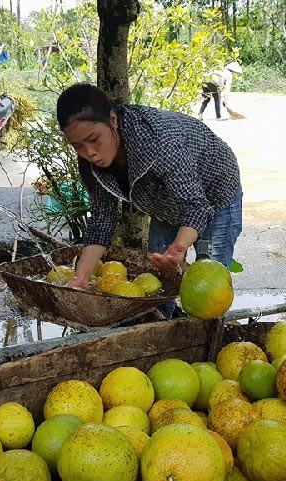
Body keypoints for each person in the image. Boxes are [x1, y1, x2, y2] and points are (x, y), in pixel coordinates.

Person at [56, 83, 243, 316]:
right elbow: (101, 222)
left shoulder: (159, 140)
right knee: (158, 280)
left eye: (94, 139)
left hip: (214, 194)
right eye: (78, 146)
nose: (89, 152)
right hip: (165, 203)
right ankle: (161, 332)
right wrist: (80, 280)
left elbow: (196, 206)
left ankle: (206, 339)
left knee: (210, 285)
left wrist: (179, 247)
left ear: (112, 120)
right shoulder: (94, 163)